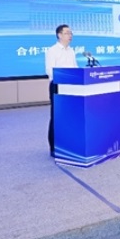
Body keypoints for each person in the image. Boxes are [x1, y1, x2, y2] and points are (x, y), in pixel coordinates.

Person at [45, 24, 79, 156]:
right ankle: (53, 147)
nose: (70, 35)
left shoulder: (71, 51)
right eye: (67, 33)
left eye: (71, 33)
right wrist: (65, 77)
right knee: (57, 116)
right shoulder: (52, 51)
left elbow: (75, 68)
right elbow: (50, 71)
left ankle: (68, 144)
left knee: (69, 116)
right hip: (57, 86)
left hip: (71, 87)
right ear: (59, 35)